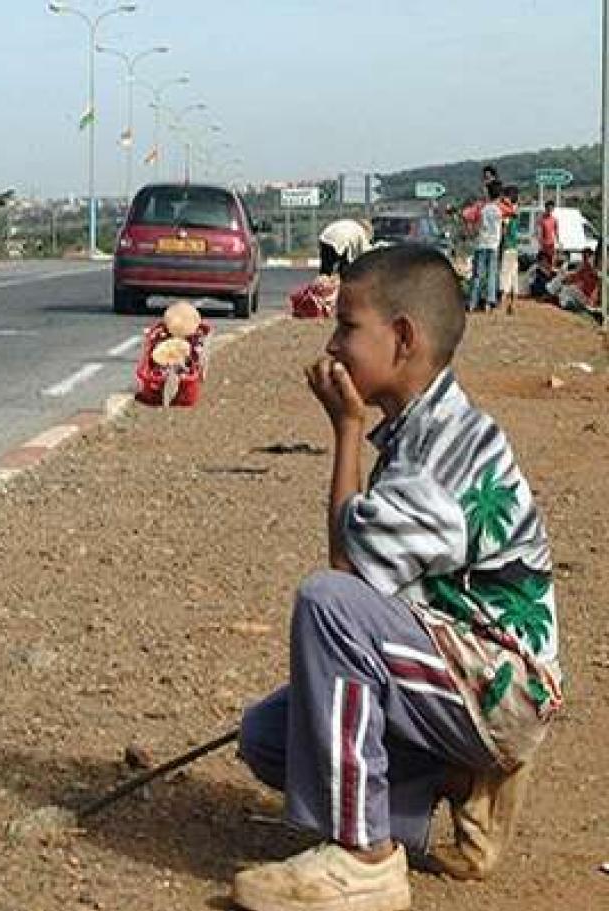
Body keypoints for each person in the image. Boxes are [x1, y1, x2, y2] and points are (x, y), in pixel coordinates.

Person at [232, 245, 563, 911]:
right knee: (272, 736)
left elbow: (346, 576)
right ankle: (462, 777)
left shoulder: (436, 457)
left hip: (500, 687)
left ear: (403, 337)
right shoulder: (424, 426)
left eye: (348, 326)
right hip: (457, 669)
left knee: (325, 603)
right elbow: (369, 575)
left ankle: (365, 859)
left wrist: (347, 430)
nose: (331, 344)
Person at [466, 183, 503, 312]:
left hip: (481, 244)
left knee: (477, 275)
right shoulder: (499, 210)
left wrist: (472, 233)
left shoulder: (483, 209)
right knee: (491, 275)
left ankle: (472, 303)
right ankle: (489, 302)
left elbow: (477, 227)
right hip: (493, 245)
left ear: (488, 193)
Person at [497, 186, 521, 314]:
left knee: (505, 275)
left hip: (507, 246)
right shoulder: (515, 210)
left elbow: (504, 230)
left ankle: (501, 304)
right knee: (513, 276)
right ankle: (513, 304)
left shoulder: (508, 213)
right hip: (514, 247)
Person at [536, 200, 559, 265]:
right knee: (543, 264)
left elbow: (556, 232)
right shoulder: (541, 219)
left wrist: (559, 242)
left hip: (551, 245)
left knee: (551, 263)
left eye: (551, 208)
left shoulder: (554, 219)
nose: (550, 210)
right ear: (546, 208)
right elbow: (539, 232)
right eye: (548, 208)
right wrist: (540, 243)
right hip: (543, 245)